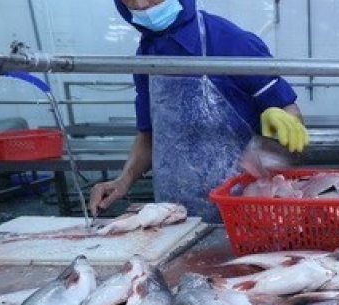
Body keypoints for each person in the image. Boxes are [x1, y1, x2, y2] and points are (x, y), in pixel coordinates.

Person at [90, 0, 309, 222]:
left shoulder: (228, 40)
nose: (141, 5)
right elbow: (149, 135)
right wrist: (123, 181)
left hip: (238, 208)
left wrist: (284, 117)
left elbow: (288, 108)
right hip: (174, 212)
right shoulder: (146, 55)